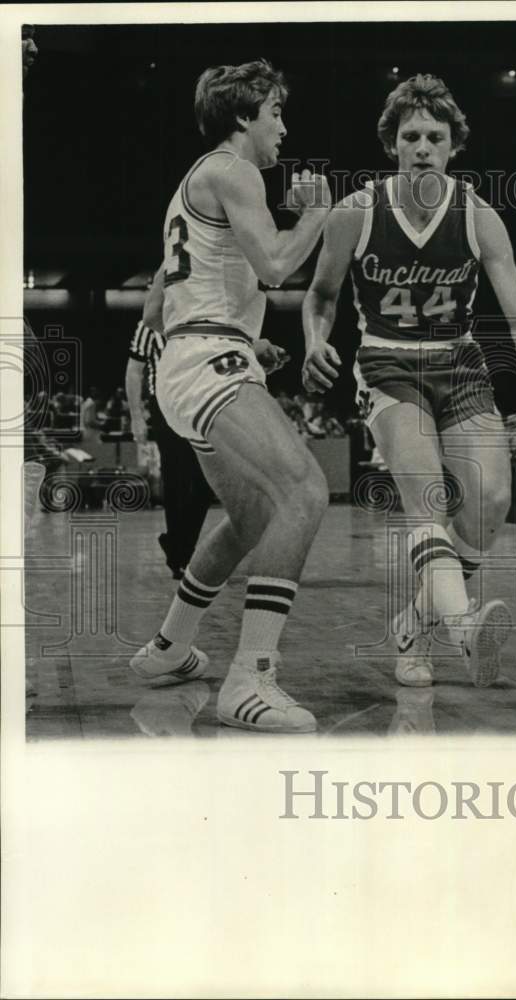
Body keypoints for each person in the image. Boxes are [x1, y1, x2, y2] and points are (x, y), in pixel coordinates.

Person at [302, 74, 516, 689]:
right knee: (428, 497)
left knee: (490, 503)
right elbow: (321, 297)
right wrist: (313, 341)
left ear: (453, 146)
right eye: (410, 135)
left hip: (459, 362)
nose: (422, 146)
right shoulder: (354, 213)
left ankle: (417, 625)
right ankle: (463, 628)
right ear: (392, 144)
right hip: (387, 363)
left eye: (434, 136)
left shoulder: (478, 216)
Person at [129, 58, 331, 733]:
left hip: (187, 363)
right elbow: (277, 264)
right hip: (208, 362)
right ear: (243, 116)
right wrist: (317, 216)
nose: (283, 125)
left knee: (248, 521)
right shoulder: (234, 170)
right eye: (274, 111)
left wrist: (242, 337)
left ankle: (168, 648)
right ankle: (249, 679)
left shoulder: (194, 186)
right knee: (303, 491)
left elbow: (158, 305)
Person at [125, 278, 215, 580]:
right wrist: (137, 416)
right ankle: (181, 555)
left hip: (198, 403)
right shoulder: (148, 327)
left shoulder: (196, 319)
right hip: (165, 406)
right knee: (176, 480)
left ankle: (177, 543)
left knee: (205, 481)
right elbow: (134, 371)